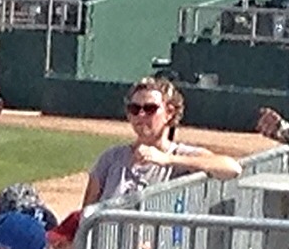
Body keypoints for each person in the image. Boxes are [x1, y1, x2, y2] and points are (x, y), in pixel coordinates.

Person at [84, 76, 240, 205]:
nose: (141, 115)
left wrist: (168, 159)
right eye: (134, 109)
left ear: (169, 113)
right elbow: (86, 215)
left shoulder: (179, 155)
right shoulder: (111, 158)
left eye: (150, 109)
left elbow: (232, 168)